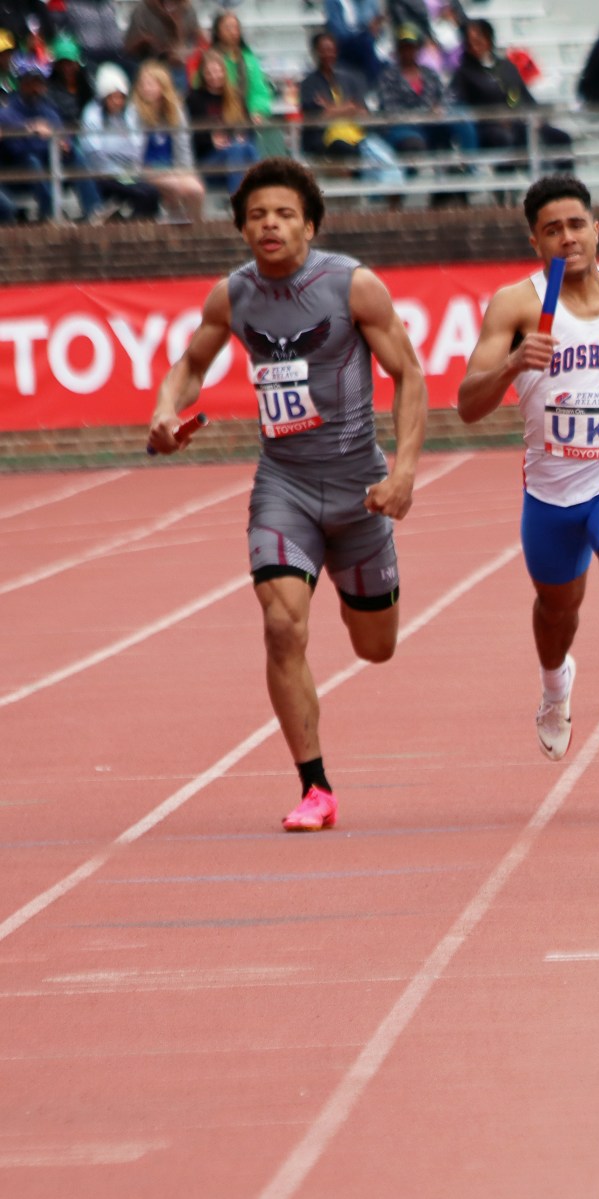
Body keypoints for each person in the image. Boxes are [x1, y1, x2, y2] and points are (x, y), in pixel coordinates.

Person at [148, 156, 428, 831]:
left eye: (283, 214)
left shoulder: (352, 285)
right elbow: (190, 364)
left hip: (359, 488)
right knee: (280, 626)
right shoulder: (234, 295)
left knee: (375, 647)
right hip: (285, 484)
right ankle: (316, 787)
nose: (269, 224)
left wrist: (404, 473)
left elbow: (409, 373)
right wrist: (164, 412)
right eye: (256, 215)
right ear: (242, 228)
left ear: (309, 225)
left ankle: (355, 582)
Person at [457, 174, 599, 795]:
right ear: (535, 239)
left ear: (596, 230)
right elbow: (468, 405)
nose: (567, 238)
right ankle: (555, 684)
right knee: (558, 610)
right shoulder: (516, 305)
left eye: (577, 225)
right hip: (551, 490)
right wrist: (511, 363)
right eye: (552, 229)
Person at [450, 18, 572, 173]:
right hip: (489, 128)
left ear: (489, 38)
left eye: (479, 38)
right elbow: (460, 106)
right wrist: (494, 118)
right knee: (507, 138)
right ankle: (509, 190)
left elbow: (525, 97)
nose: (476, 44)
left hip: (520, 122)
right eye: (471, 40)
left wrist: (537, 118)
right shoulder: (464, 73)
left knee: (560, 138)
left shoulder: (507, 66)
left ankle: (566, 187)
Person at [0, 52, 102, 220]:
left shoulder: (48, 110)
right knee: (32, 160)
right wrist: (30, 129)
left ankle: (94, 210)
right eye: (30, 83)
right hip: (17, 171)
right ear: (22, 84)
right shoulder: (7, 111)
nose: (35, 88)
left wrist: (64, 145)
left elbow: (61, 136)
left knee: (76, 155)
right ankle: (51, 213)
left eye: (38, 83)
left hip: (48, 163)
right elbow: (14, 147)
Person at [299, 31, 404, 189]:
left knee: (386, 155)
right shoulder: (309, 84)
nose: (328, 54)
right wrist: (346, 108)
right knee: (342, 148)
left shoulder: (350, 78)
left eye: (331, 49)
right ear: (315, 52)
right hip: (324, 138)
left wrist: (332, 108)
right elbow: (317, 117)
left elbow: (361, 110)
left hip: (355, 133)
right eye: (324, 50)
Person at [375, 23, 477, 174]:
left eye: (411, 46)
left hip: (431, 124)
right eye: (404, 47)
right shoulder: (388, 77)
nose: (408, 51)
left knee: (461, 116)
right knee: (414, 142)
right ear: (398, 50)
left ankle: (469, 167)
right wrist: (427, 112)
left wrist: (441, 108)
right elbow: (392, 110)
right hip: (403, 128)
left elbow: (446, 97)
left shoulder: (429, 74)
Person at [79, 61, 163, 219]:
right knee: (142, 194)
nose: (117, 101)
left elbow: (137, 145)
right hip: (104, 175)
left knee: (152, 193)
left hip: (130, 172)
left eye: (121, 97)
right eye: (113, 97)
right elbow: (94, 151)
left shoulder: (130, 113)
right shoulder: (92, 114)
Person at [132, 58, 207, 221]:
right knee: (176, 188)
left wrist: (187, 172)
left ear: (162, 86)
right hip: (144, 168)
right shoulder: (134, 111)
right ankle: (178, 227)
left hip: (172, 168)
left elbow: (183, 147)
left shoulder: (176, 111)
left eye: (150, 84)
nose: (146, 88)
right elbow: (133, 149)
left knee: (196, 190)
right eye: (143, 84)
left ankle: (197, 229)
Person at [186, 48, 259, 194]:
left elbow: (249, 129)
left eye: (218, 71)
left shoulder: (236, 96)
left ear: (225, 72)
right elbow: (190, 136)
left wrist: (242, 136)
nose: (214, 76)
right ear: (202, 74)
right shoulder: (194, 98)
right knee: (237, 149)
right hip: (208, 160)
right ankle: (240, 202)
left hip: (237, 154)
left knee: (247, 147)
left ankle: (255, 196)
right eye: (209, 73)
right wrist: (211, 140)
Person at [123, 0, 205, 96]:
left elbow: (193, 39)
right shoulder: (143, 9)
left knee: (179, 98)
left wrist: (181, 52)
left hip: (178, 67)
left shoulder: (187, 9)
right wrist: (146, 41)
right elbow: (129, 46)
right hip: (149, 64)